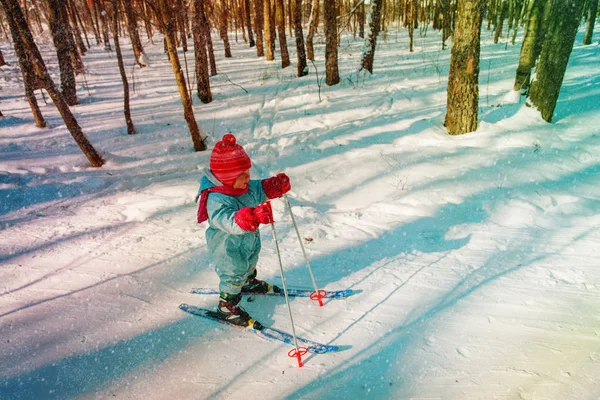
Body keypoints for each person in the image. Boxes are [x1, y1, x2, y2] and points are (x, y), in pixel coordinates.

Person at [196, 133, 291, 327]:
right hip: (227, 248)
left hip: (247, 241)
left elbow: (258, 189)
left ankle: (247, 282)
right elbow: (226, 220)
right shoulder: (216, 199)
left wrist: (272, 187)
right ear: (228, 178)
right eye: (243, 175)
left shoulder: (242, 187)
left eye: (248, 172)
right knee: (233, 272)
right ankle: (226, 306)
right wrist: (250, 217)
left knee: (249, 262)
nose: (248, 177)